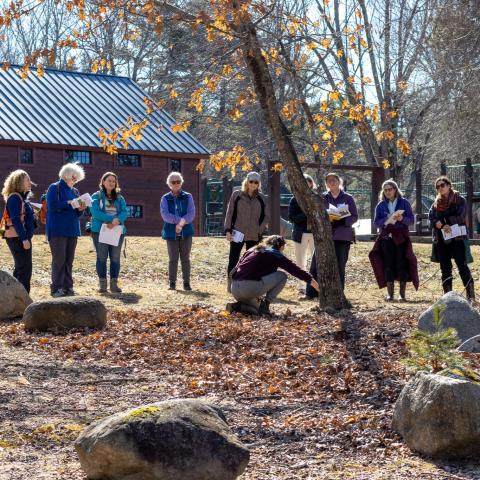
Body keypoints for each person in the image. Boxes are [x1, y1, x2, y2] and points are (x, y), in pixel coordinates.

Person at [227, 235, 319, 315]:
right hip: (249, 288)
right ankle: (266, 304)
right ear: (281, 246)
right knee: (282, 276)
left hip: (235, 288)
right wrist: (314, 283)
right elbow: (296, 270)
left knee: (256, 309)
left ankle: (237, 306)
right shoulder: (276, 254)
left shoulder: (251, 250)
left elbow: (233, 271)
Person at [305, 173, 359, 298]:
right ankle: (311, 293)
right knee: (316, 263)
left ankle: (338, 294)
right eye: (329, 181)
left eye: (334, 180)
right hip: (325, 236)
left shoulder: (348, 198)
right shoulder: (322, 197)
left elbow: (355, 216)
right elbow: (316, 213)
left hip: (342, 236)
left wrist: (343, 221)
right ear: (326, 184)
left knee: (340, 266)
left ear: (339, 182)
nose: (332, 183)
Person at [369, 179, 418, 301]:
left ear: (395, 190)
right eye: (385, 190)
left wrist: (401, 218)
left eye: (390, 189)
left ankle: (402, 294)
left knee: (402, 263)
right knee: (388, 264)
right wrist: (386, 219)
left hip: (401, 237)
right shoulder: (380, 205)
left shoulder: (404, 203)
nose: (387, 192)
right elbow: (376, 222)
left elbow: (411, 220)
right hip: (386, 237)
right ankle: (390, 294)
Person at [429, 176, 475, 301]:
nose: (440, 188)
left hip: (457, 238)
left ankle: (471, 296)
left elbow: (460, 216)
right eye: (437, 187)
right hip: (441, 239)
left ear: (449, 185)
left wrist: (444, 222)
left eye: (442, 185)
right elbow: (431, 217)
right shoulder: (436, 203)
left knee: (462, 266)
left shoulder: (459, 200)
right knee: (445, 268)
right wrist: (439, 224)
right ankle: (447, 298)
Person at [224, 171, 270, 292]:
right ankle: (231, 285)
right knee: (233, 259)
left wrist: (260, 230)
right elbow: (230, 213)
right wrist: (228, 230)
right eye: (251, 181)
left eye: (256, 182)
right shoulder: (236, 195)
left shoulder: (262, 198)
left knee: (252, 261)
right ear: (247, 181)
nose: (253, 184)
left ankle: (249, 284)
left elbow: (267, 216)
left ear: (258, 184)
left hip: (254, 235)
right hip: (237, 233)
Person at [46, 163, 86, 297]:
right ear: (66, 174)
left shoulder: (75, 191)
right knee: (59, 260)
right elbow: (51, 207)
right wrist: (68, 203)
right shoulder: (54, 187)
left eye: (77, 178)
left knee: (69, 260)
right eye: (73, 177)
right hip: (57, 230)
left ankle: (68, 287)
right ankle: (56, 288)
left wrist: (80, 209)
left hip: (72, 230)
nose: (75, 180)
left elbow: (77, 214)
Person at [90, 172, 128, 293]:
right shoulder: (96, 196)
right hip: (100, 231)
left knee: (115, 258)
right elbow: (95, 212)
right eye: (109, 180)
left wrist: (117, 221)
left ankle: (114, 285)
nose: (111, 183)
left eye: (113, 181)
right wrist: (112, 220)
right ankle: (102, 285)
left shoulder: (120, 197)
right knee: (101, 257)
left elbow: (125, 212)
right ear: (103, 182)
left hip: (117, 231)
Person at [1, 169, 36, 293]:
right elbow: (16, 220)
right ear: (19, 182)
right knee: (24, 270)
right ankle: (23, 301)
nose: (30, 182)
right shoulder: (15, 198)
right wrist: (24, 239)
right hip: (18, 238)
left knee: (21, 269)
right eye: (27, 179)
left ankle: (15, 298)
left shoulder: (23, 198)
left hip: (21, 238)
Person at [160, 172, 195, 291]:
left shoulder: (188, 196)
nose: (176, 184)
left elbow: (191, 214)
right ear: (169, 184)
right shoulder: (165, 198)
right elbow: (165, 215)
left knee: (185, 258)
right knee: (173, 259)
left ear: (181, 183)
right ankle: (172, 283)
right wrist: (178, 221)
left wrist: (181, 224)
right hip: (170, 232)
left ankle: (186, 283)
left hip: (186, 232)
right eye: (173, 182)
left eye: (178, 181)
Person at [288, 174, 316, 272]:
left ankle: (314, 284)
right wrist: (306, 214)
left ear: (311, 184)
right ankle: (302, 285)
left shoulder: (316, 198)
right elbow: (291, 218)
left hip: (315, 234)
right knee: (300, 261)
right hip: (300, 233)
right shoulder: (294, 199)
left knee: (315, 261)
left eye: (308, 183)